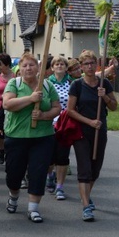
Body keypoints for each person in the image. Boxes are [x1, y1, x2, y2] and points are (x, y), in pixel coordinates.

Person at [2, 53, 61, 223]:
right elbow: (7, 104)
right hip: (16, 136)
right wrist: (31, 98)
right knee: (14, 174)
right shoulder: (14, 83)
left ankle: (33, 208)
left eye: (32, 65)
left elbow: (57, 107)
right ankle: (13, 196)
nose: (28, 68)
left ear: (38, 68)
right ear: (20, 68)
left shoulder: (47, 85)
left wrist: (44, 115)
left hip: (42, 137)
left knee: (38, 172)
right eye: (25, 65)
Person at [67, 50, 118, 221]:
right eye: (86, 64)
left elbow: (114, 107)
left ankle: (87, 195)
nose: (89, 67)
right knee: (85, 169)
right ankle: (86, 206)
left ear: (96, 64)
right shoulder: (77, 85)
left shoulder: (104, 84)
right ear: (81, 67)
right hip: (82, 131)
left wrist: (105, 98)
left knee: (95, 169)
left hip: (99, 132)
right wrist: (89, 122)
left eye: (92, 63)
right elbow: (70, 111)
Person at [47, 55, 73, 199]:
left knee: (62, 156)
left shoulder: (71, 83)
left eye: (62, 64)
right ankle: (50, 175)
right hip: (49, 123)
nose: (59, 66)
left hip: (65, 125)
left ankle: (60, 187)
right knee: (49, 156)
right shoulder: (46, 83)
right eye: (56, 64)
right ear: (52, 67)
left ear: (66, 67)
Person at [0, 53, 14, 165]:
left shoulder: (15, 77)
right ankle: (2, 150)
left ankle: (10, 151)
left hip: (11, 107)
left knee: (9, 131)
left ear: (7, 64)